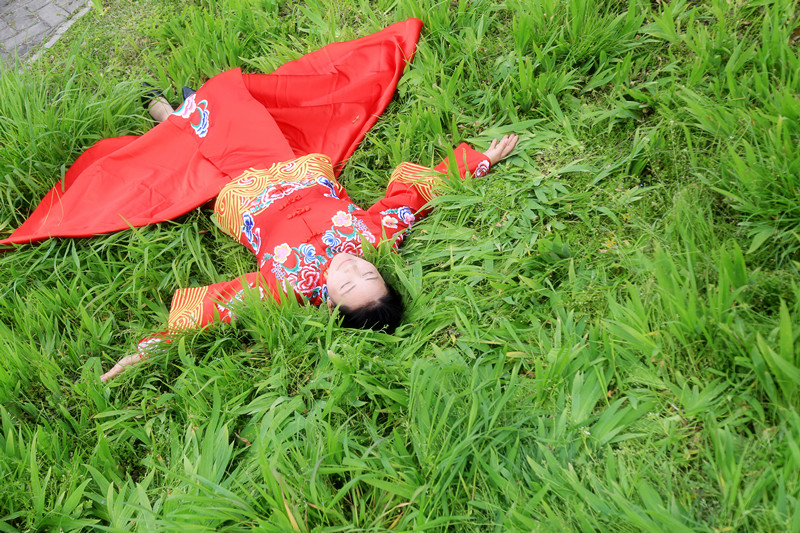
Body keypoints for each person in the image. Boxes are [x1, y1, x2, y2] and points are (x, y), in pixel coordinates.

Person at [99, 132, 518, 381]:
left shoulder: (287, 288)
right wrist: (479, 161)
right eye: (370, 274)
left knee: (200, 158)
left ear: (332, 304)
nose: (353, 267)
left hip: (244, 196)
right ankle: (189, 109)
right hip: (298, 168)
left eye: (348, 283)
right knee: (245, 124)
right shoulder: (377, 238)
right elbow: (411, 198)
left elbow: (220, 310)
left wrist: (149, 351)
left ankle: (178, 115)